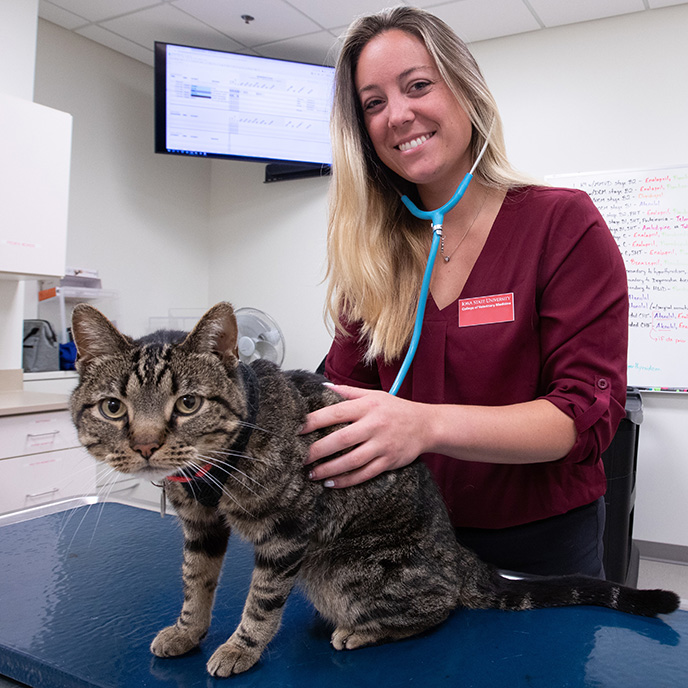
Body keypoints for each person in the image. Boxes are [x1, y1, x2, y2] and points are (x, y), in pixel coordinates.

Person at [301, 6, 628, 578]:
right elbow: (342, 398)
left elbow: (583, 418)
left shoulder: (563, 224)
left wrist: (423, 424)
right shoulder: (373, 254)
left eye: (418, 86)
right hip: (405, 543)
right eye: (373, 103)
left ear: (467, 90)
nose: (397, 116)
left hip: (542, 545)